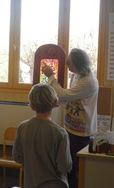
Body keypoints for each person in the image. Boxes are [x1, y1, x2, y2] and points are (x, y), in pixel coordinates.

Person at [42, 48, 98, 188]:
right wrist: (56, 102)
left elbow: (63, 95)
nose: (67, 66)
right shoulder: (78, 75)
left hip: (80, 132)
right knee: (69, 164)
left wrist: (51, 76)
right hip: (71, 127)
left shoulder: (88, 81)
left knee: (74, 167)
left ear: (79, 64)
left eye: (70, 64)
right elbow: (68, 98)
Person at [12, 84, 72, 188]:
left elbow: (17, 157)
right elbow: (64, 166)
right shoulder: (60, 133)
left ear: (31, 106)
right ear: (55, 102)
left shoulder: (22, 127)